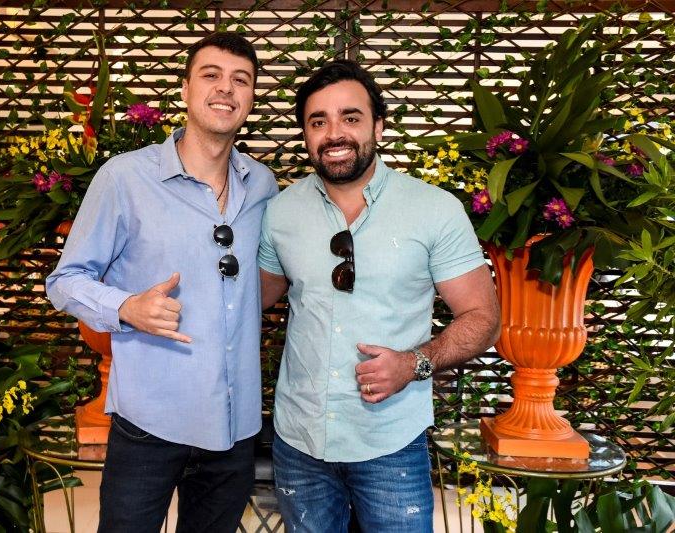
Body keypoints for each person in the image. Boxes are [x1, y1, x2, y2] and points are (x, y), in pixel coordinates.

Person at [46, 32, 278, 533]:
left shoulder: (263, 184)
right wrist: (126, 307)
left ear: (251, 97)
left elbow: (263, 281)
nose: (226, 88)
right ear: (185, 89)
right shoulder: (125, 178)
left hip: (234, 428)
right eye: (211, 75)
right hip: (149, 425)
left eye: (241, 80)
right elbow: (64, 280)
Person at [258, 60, 500, 532]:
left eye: (350, 117)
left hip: (390, 442)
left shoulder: (434, 210)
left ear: (379, 127)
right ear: (305, 135)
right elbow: (253, 300)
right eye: (318, 121)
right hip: (299, 440)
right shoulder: (280, 212)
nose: (334, 133)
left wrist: (414, 363)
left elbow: (483, 318)